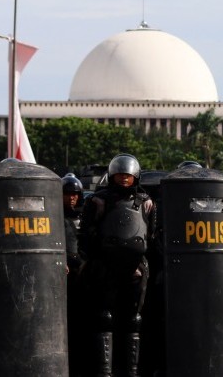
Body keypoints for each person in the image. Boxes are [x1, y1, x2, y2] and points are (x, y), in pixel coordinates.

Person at [79, 154, 157, 377]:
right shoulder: (98, 200)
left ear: (136, 177)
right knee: (104, 317)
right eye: (120, 175)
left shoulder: (146, 202)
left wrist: (140, 262)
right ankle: (105, 372)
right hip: (104, 266)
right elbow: (85, 233)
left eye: (128, 176)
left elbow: (150, 235)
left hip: (136, 268)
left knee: (134, 319)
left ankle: (131, 371)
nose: (124, 179)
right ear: (113, 176)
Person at [62, 173, 85, 376]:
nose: (72, 198)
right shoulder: (56, 217)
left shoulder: (84, 217)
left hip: (83, 273)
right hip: (65, 274)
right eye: (68, 194)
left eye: (75, 194)